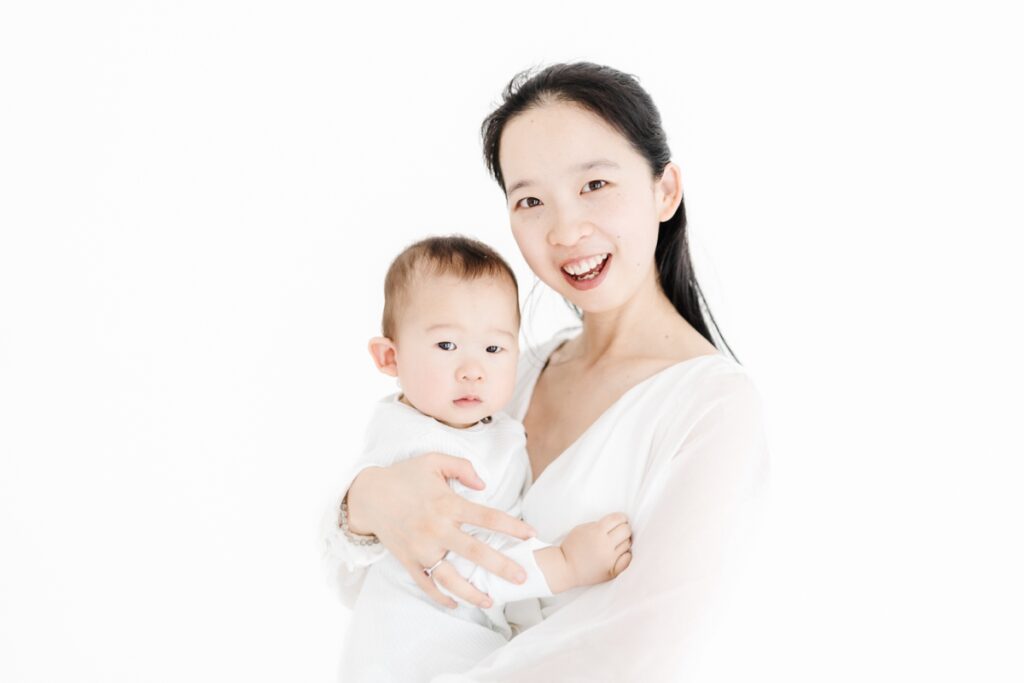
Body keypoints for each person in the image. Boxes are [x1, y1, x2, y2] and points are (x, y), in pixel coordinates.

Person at [324, 62, 769, 681]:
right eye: (530, 199)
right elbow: (362, 583)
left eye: (594, 185)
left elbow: (642, 651)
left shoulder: (713, 409)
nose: (565, 231)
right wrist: (366, 499)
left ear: (665, 190)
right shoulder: (506, 374)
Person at [333, 235, 634, 682]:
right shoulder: (426, 449)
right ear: (389, 356)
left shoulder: (477, 427)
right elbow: (465, 561)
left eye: (494, 349)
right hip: (417, 658)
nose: (472, 369)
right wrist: (566, 564)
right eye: (447, 346)